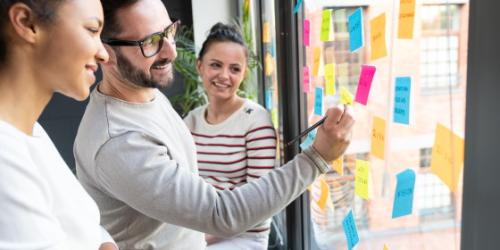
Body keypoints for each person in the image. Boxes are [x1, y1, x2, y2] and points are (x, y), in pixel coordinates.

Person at [73, 0, 354, 249]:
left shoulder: (146, 94)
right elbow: (219, 213)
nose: (170, 51)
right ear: (104, 52)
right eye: (150, 42)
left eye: (169, 32)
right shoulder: (120, 141)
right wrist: (318, 157)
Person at [0, 0, 116, 249]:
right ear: (26, 23)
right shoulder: (4, 151)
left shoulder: (32, 131)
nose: (103, 54)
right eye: (91, 30)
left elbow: (86, 229)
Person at [183, 23, 277, 249]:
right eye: (216, 65)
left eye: (235, 69)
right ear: (200, 66)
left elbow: (258, 205)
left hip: (243, 237)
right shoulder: (191, 121)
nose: (224, 76)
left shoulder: (256, 120)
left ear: (243, 73)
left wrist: (195, 239)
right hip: (197, 230)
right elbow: (181, 187)